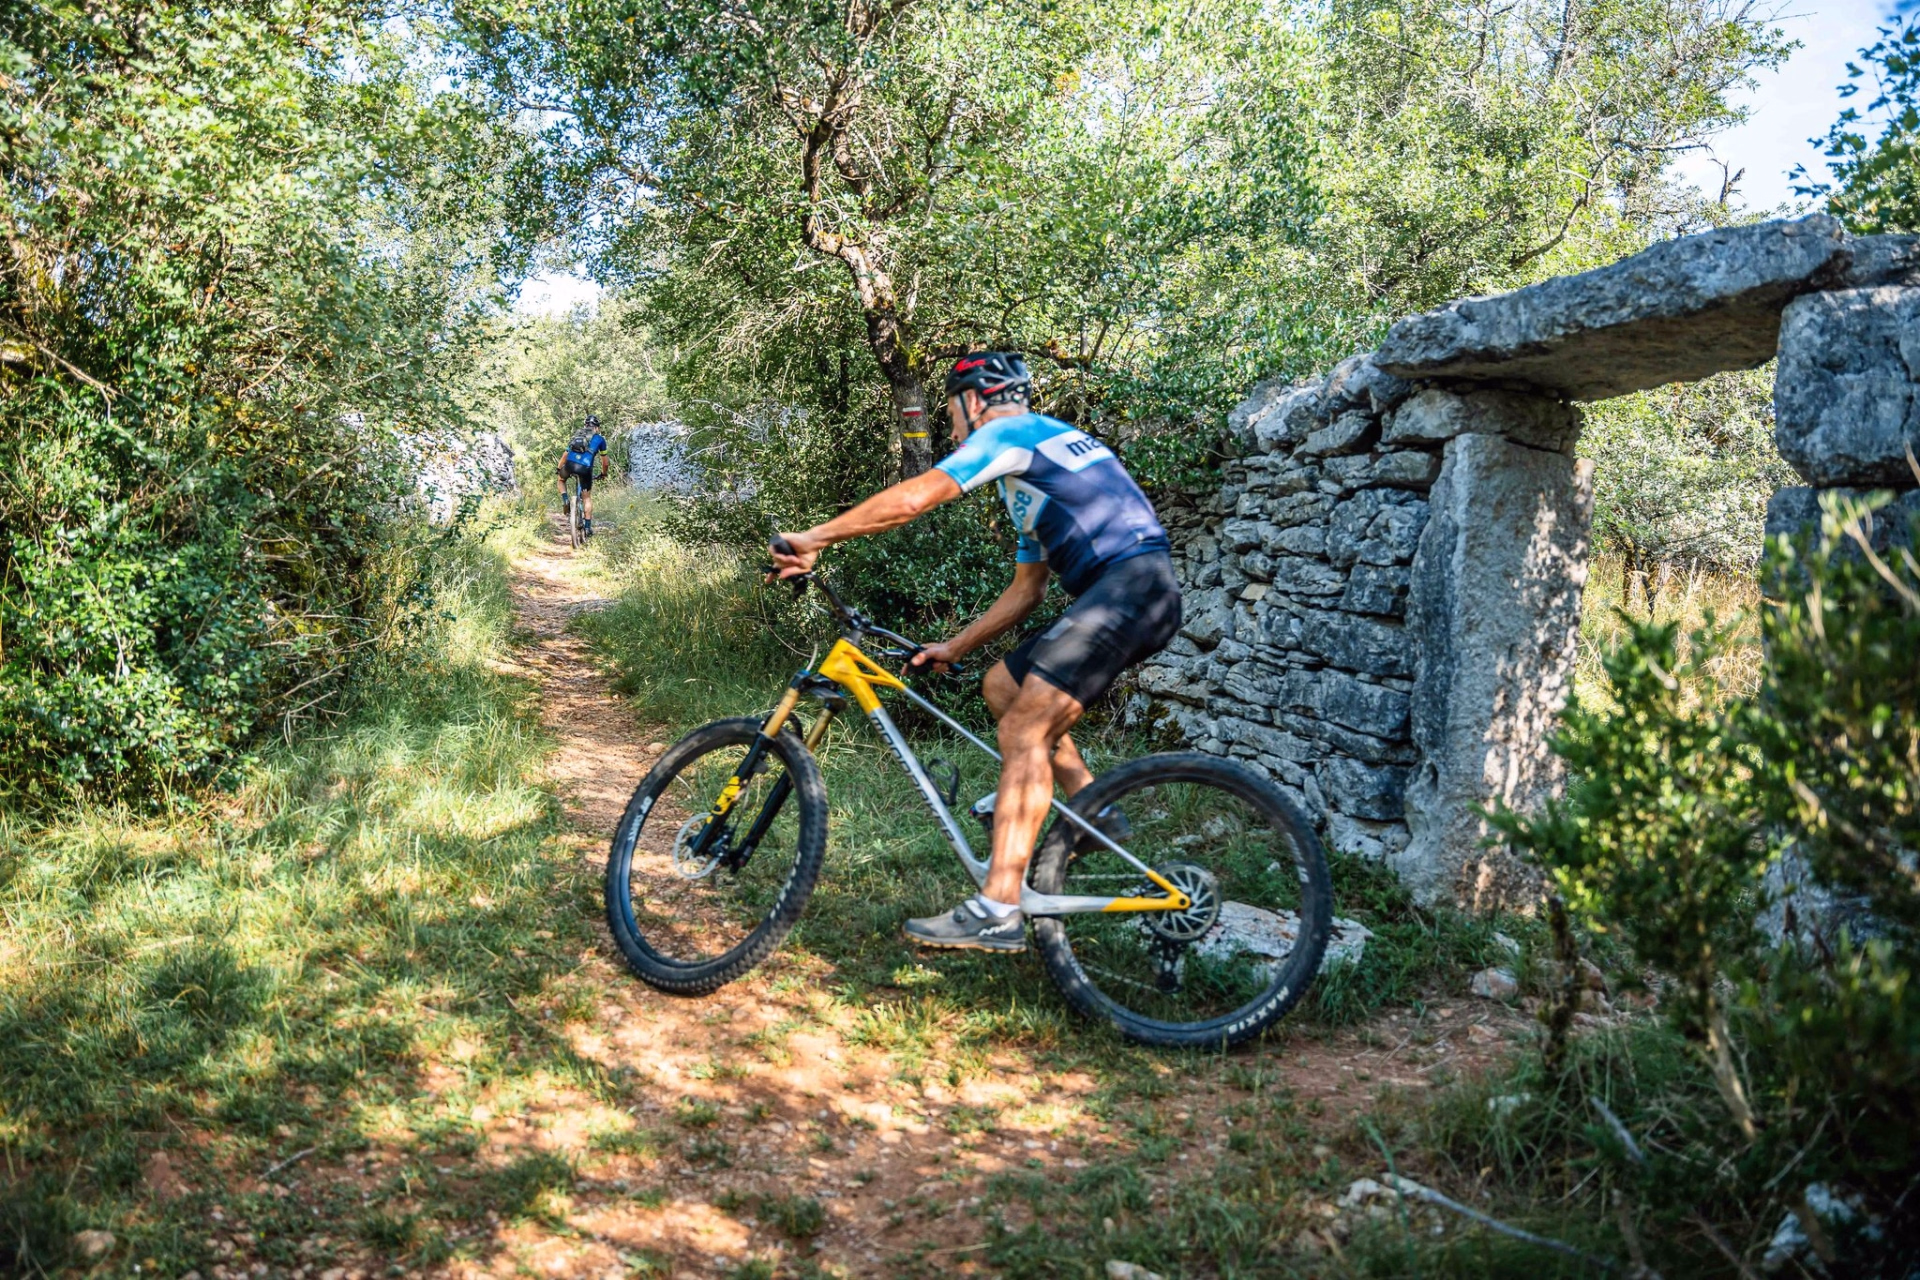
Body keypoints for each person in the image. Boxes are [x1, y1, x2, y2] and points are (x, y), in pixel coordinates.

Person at [771, 353, 1182, 952]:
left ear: (977, 399)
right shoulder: (1036, 473)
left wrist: (812, 538)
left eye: (952, 413)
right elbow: (1027, 590)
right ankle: (1094, 811)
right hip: (1128, 591)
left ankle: (997, 909)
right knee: (1002, 687)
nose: (954, 430)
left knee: (1024, 727)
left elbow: (915, 498)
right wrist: (954, 646)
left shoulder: (1012, 432)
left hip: (1130, 588)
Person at [557, 414, 610, 535]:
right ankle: (587, 527)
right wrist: (603, 474)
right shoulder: (600, 439)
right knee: (586, 497)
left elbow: (565, 455)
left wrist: (559, 468)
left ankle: (565, 499)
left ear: (585, 425)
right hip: (585, 469)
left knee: (560, 480)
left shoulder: (576, 436)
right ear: (597, 428)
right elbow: (605, 462)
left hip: (570, 465)